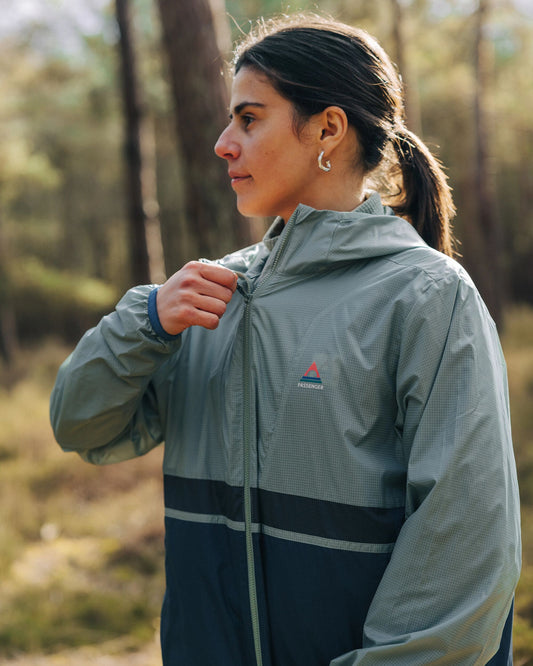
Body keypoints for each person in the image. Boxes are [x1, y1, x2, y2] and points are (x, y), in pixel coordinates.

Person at [50, 13, 521, 666]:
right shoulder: (207, 298)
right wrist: (146, 322)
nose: (223, 144)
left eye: (249, 119)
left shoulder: (426, 296)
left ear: (327, 129)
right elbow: (81, 426)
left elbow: (464, 542)